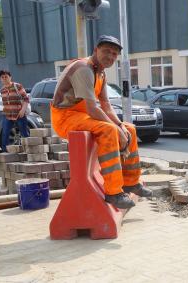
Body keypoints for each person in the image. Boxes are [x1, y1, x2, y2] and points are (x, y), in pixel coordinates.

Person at [50, 35, 152, 209]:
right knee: (108, 130)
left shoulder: (100, 73)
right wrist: (115, 129)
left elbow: (105, 104)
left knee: (130, 129)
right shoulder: (84, 69)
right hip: (65, 117)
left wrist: (120, 126)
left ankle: (131, 182)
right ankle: (113, 192)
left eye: (114, 54)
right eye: (106, 51)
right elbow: (92, 108)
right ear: (96, 50)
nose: (110, 57)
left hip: (82, 116)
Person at [0, 70, 30, 152]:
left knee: (24, 134)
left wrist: (23, 110)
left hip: (19, 114)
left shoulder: (17, 86)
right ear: (0, 79)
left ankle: (29, 152)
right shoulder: (2, 90)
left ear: (10, 77)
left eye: (6, 77)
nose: (4, 79)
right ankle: (4, 153)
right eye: (2, 77)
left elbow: (26, 99)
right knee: (5, 134)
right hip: (7, 115)